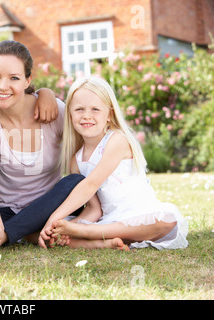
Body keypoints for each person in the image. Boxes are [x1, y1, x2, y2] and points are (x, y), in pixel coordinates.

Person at [0, 40, 92, 253]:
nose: (3, 86)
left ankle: (11, 235)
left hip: (48, 205)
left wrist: (47, 93)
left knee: (76, 182)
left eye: (14, 78)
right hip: (6, 209)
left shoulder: (54, 111)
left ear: (27, 80)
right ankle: (31, 232)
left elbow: (84, 151)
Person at [39, 76, 188, 250]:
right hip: (109, 220)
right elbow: (95, 209)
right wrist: (62, 227)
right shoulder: (76, 160)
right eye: (79, 109)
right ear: (70, 114)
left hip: (140, 215)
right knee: (39, 235)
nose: (87, 116)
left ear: (109, 115)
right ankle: (102, 242)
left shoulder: (117, 140)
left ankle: (88, 234)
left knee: (166, 221)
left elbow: (90, 184)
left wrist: (54, 219)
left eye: (95, 109)